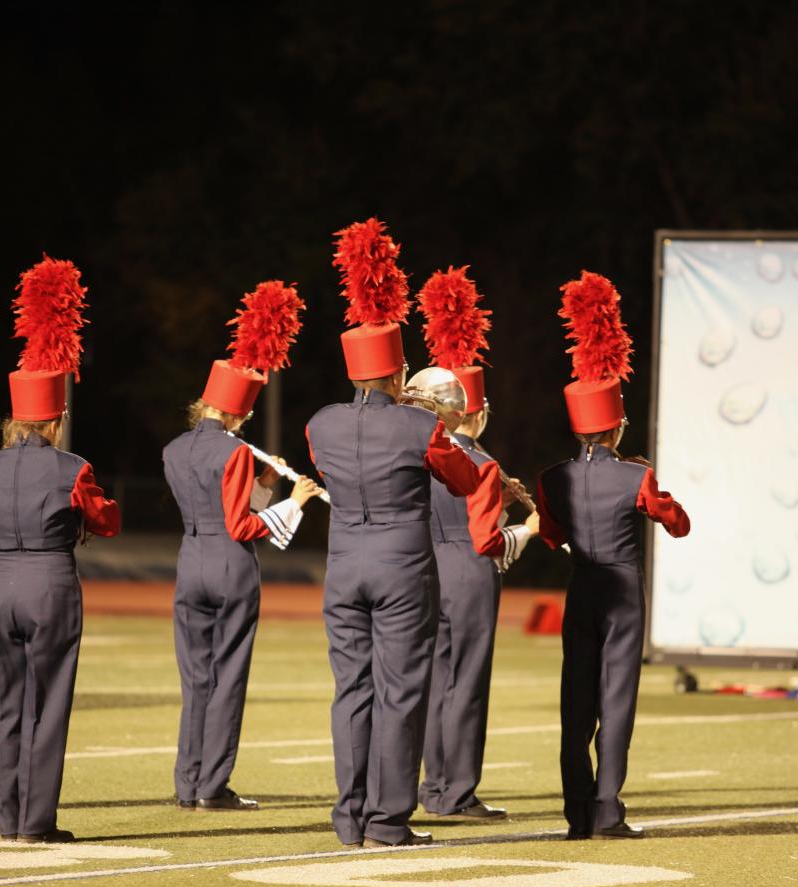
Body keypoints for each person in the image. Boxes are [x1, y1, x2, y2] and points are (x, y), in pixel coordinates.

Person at [307, 219, 483, 848]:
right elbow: (462, 480)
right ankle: (387, 820)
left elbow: (330, 466)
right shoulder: (418, 427)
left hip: (343, 565)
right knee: (401, 690)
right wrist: (431, 416)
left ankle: (348, 818)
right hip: (404, 566)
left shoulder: (319, 424)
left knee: (350, 691)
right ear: (397, 371)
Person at [0, 256, 120, 843]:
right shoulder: (72, 466)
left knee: (2, 703)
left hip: (1, 579)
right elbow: (104, 520)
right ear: (54, 418)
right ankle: (37, 822)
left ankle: (7, 818)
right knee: (47, 702)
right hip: (51, 582)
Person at [535, 272, 690, 840]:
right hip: (622, 591)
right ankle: (608, 811)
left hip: (581, 588)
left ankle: (577, 814)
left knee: (575, 700)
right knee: (616, 701)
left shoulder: (553, 477)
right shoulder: (637, 474)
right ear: (617, 423)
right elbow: (678, 525)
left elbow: (552, 535)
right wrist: (651, 485)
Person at [163, 280, 324, 812]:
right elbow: (241, 526)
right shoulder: (233, 454)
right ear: (235, 414)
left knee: (195, 678)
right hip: (230, 567)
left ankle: (188, 782)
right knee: (228, 675)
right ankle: (213, 786)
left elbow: (215, 504)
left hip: (190, 562)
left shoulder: (173, 450)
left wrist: (266, 487)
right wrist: (296, 501)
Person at [409, 266, 539, 822]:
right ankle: (454, 792)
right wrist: (528, 527)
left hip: (423, 566)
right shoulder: (481, 461)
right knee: (467, 684)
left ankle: (432, 784)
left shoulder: (417, 453)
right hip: (466, 571)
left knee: (436, 679)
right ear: (475, 413)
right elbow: (484, 537)